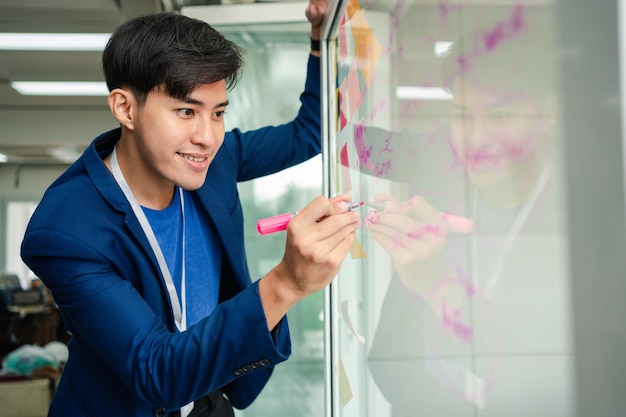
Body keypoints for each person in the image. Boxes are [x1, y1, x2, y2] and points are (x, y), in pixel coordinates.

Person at [20, 1, 360, 416]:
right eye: (186, 111)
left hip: (207, 400)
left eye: (218, 113)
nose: (207, 137)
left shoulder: (216, 161)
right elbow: (156, 371)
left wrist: (320, 43)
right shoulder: (65, 230)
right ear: (126, 108)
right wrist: (287, 282)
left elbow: (311, 131)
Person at [344, 7, 572, 416]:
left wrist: (436, 284)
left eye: (500, 116)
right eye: (462, 116)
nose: (477, 139)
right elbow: (351, 144)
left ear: (551, 114)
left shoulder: (580, 215)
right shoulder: (440, 158)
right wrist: (329, 46)